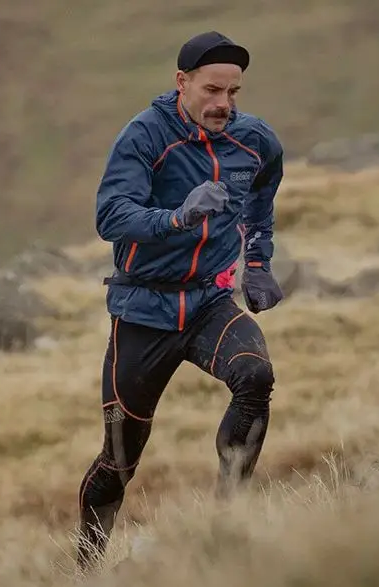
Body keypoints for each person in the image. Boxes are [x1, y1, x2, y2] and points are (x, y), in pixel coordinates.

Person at [77, 30, 287, 570]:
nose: (223, 104)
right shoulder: (145, 136)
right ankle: (85, 566)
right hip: (144, 310)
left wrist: (258, 264)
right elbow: (111, 217)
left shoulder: (256, 142)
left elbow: (260, 204)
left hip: (208, 303)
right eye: (212, 90)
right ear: (182, 83)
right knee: (120, 458)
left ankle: (226, 526)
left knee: (256, 377)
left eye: (233, 92)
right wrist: (178, 217)